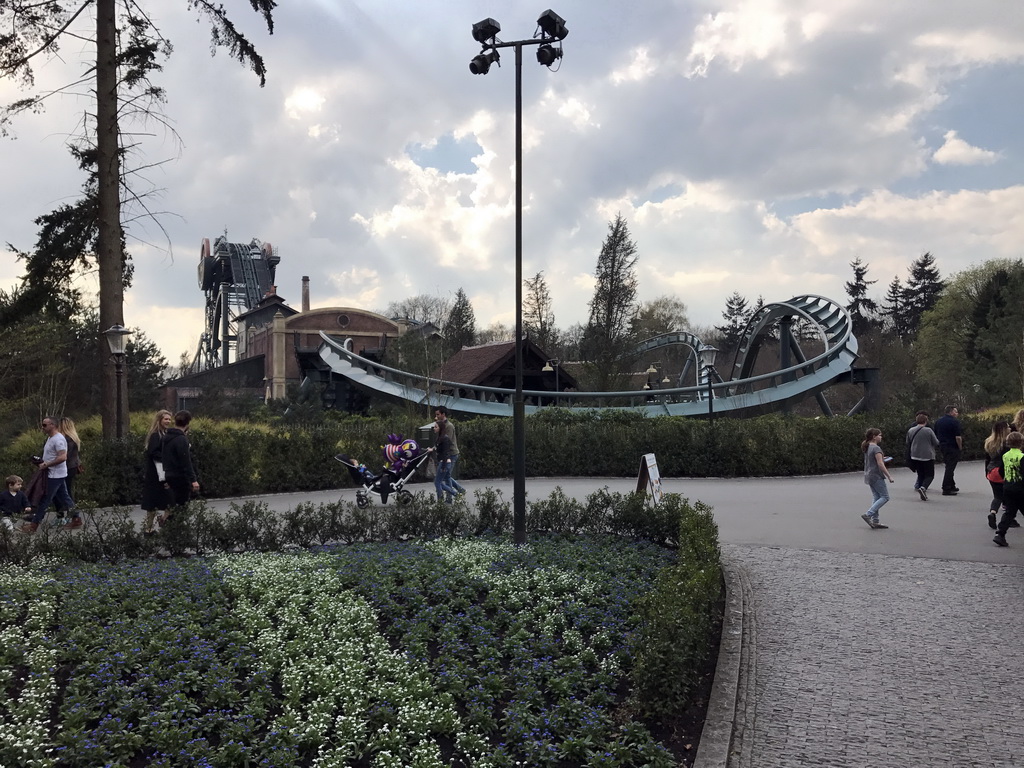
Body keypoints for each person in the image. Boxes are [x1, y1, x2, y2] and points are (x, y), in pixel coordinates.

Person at [21, 416, 76, 534]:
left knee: (45, 500)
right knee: (65, 497)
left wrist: (47, 464)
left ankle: (34, 525)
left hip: (55, 475)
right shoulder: (51, 438)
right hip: (55, 473)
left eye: (45, 425)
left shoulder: (58, 439)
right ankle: (76, 518)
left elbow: (63, 457)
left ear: (53, 425)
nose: (43, 427)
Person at [160, 410, 199, 524]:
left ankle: (168, 524)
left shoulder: (166, 437)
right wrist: (193, 480)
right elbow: (185, 461)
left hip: (169, 473)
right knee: (182, 504)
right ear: (187, 424)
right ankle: (177, 528)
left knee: (173, 503)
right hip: (180, 476)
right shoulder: (181, 439)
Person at [141, 409, 173, 534]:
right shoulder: (156, 435)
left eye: (170, 419)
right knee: (153, 503)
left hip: (163, 473)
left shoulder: (165, 434)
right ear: (159, 420)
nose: (168, 421)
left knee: (170, 501)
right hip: (155, 475)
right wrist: (168, 457)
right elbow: (153, 452)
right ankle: (148, 528)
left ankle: (163, 520)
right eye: (166, 419)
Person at [993, 431, 1024, 547]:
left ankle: (1000, 534)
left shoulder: (1005, 456)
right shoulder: (1021, 456)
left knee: (1009, 512)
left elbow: (1001, 470)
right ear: (1021, 443)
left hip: (1008, 487)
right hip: (1020, 488)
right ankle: (1000, 535)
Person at [861, 427, 894, 529]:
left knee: (876, 496)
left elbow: (874, 460)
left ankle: (876, 521)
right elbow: (880, 464)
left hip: (869, 474)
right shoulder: (876, 448)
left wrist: (882, 458)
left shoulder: (867, 447)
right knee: (885, 497)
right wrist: (889, 476)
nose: (881, 437)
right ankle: (868, 514)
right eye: (880, 435)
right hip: (876, 475)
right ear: (874, 437)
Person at [984, 420, 1012, 530]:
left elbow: (987, 459)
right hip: (1002, 471)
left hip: (991, 471)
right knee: (1009, 496)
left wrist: (986, 472)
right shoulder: (1006, 444)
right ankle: (1010, 518)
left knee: (997, 496)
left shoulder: (989, 442)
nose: (1010, 428)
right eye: (1008, 427)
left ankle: (993, 512)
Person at [434, 406, 466, 496]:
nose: (436, 416)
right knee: (446, 476)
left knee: (445, 477)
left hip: (451, 454)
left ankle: (450, 498)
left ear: (443, 414)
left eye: (438, 414)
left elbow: (447, 442)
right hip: (447, 454)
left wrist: (437, 448)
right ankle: (460, 491)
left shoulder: (449, 426)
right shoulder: (440, 425)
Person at [58, 416, 83, 529]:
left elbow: (64, 455)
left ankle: (74, 516)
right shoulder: (74, 438)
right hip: (72, 467)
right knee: (66, 491)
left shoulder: (67, 439)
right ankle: (69, 514)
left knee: (66, 492)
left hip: (67, 468)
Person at [906, 413, 939, 501]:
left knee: (920, 474)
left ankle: (919, 487)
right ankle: (923, 488)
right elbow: (936, 442)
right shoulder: (928, 430)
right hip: (927, 455)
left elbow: (908, 442)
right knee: (930, 475)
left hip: (915, 455)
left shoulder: (911, 430)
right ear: (926, 421)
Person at [934, 405, 963, 496]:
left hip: (943, 446)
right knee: (950, 467)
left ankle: (951, 485)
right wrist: (960, 447)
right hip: (952, 446)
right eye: (956, 411)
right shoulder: (955, 422)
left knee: (949, 465)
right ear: (951, 412)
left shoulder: (938, 421)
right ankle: (946, 487)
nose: (957, 413)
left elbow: (935, 434)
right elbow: (958, 437)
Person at [428, 420, 457, 503]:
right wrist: (431, 449)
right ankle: (454, 493)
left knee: (437, 482)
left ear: (440, 428)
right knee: (439, 482)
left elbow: (445, 453)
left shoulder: (445, 438)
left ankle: (441, 500)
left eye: (436, 427)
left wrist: (443, 466)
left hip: (444, 462)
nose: (434, 428)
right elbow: (437, 447)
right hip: (443, 462)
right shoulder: (440, 438)